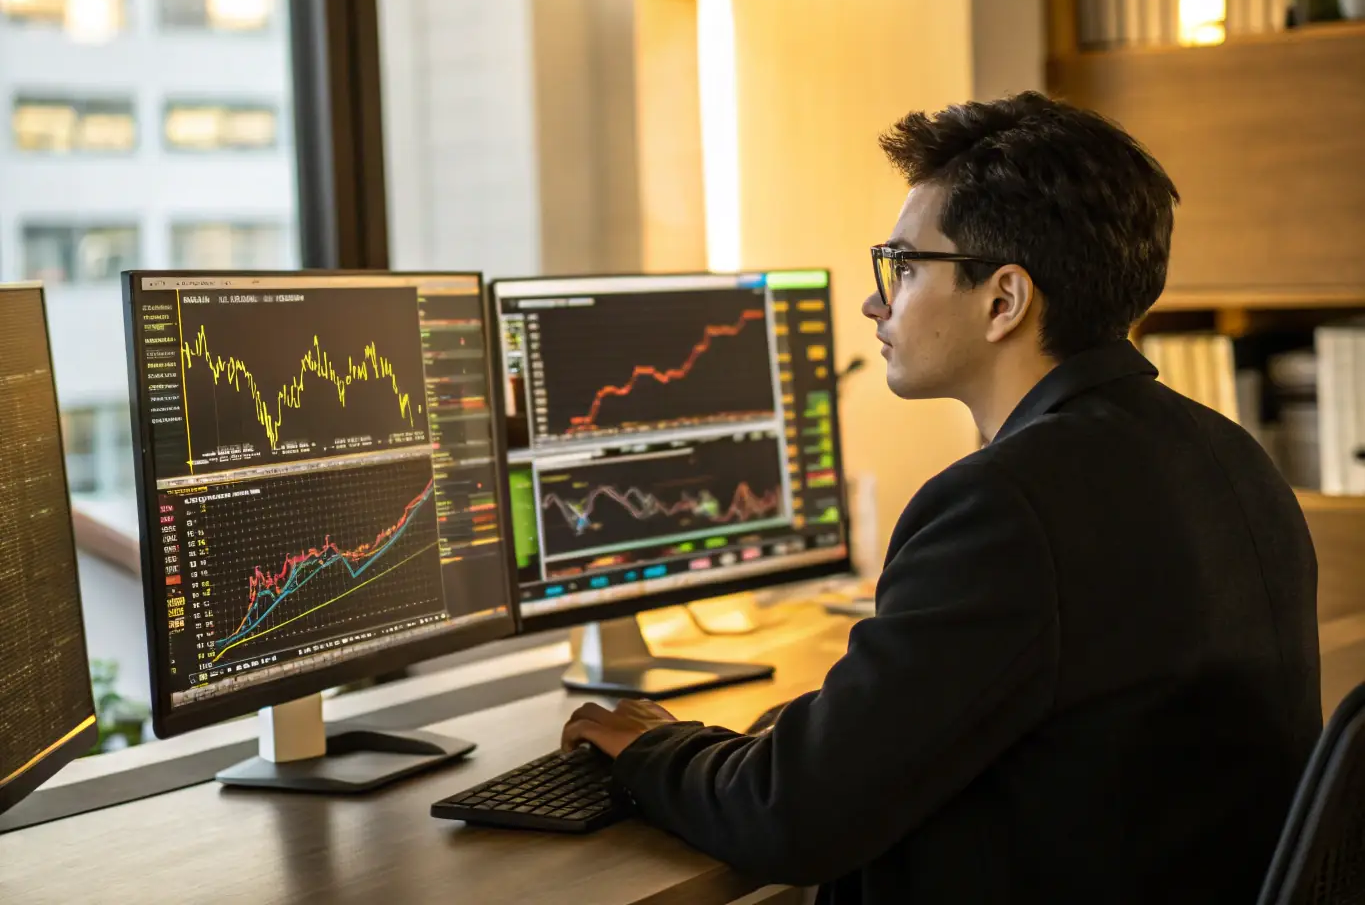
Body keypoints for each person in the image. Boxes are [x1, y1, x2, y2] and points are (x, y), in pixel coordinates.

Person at [561, 92, 1321, 903]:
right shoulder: (1225, 450)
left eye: (905, 266)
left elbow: (790, 818)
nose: (875, 302)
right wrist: (807, 733)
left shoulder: (1003, 507)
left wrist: (653, 751)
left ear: (1003, 300)